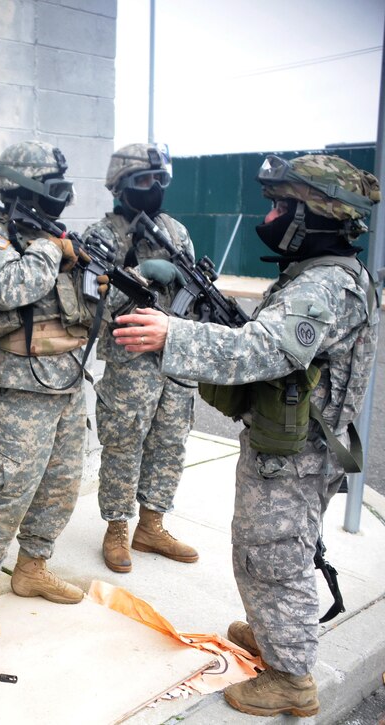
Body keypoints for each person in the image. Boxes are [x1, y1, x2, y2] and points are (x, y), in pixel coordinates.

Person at [111, 153, 380, 718]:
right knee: (280, 552)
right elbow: (266, 333)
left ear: (321, 216)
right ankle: (277, 637)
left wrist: (172, 334)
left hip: (296, 454)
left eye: (284, 206)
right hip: (302, 444)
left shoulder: (325, 284)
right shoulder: (325, 274)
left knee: (270, 557)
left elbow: (265, 349)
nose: (272, 215)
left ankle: (290, 678)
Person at [0, 141, 92, 641]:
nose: (61, 201)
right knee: (8, 488)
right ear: (25, 189)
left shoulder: (57, 240)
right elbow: (6, 290)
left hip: (71, 381)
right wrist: (50, 249)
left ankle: (33, 568)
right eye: (52, 188)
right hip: (22, 387)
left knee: (61, 486)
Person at [84, 143, 200, 574]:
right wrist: (140, 273)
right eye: (145, 181)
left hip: (175, 356)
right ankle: (117, 529)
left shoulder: (175, 230)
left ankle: (152, 525)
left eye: (160, 180)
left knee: (170, 441)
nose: (155, 188)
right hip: (131, 357)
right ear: (123, 185)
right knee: (124, 443)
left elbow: (193, 292)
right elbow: (91, 301)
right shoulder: (103, 235)